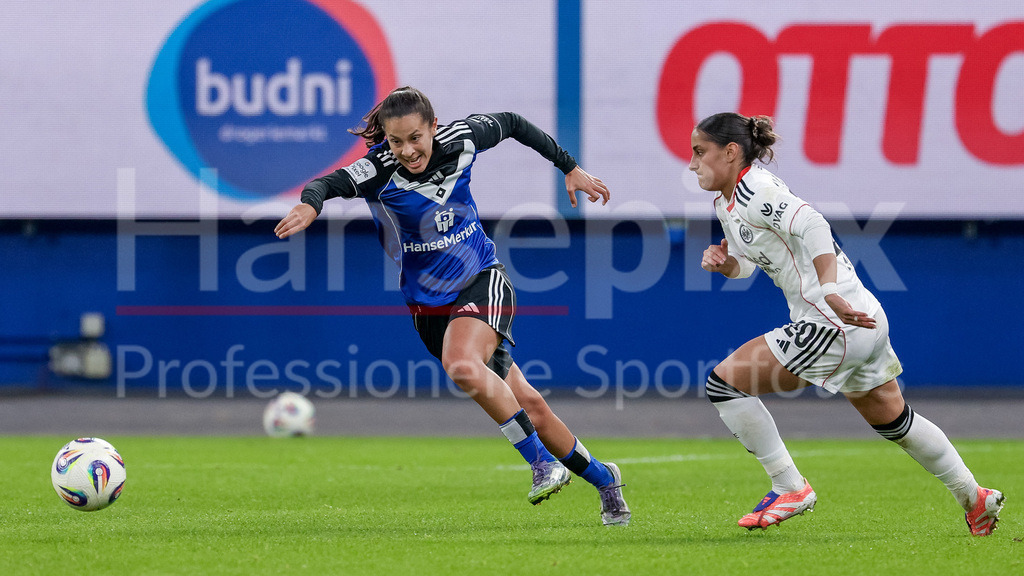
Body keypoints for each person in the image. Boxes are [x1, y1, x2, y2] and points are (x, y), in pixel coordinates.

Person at [274, 86, 630, 526]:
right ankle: (604, 480)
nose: (407, 150)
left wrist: (570, 166)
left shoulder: (463, 139)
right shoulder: (377, 169)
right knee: (529, 406)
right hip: (427, 309)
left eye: (415, 138)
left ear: (433, 128)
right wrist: (311, 205)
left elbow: (514, 123)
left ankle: (542, 464)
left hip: (482, 279)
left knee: (460, 364)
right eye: (396, 141)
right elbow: (326, 183)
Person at [690, 112, 1003, 535]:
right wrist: (727, 264)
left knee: (724, 384)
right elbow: (751, 263)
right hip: (864, 318)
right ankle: (975, 497)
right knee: (894, 419)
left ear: (730, 152)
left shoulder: (756, 190)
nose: (693, 164)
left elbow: (814, 224)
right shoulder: (728, 202)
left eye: (699, 152)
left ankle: (789, 486)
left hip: (832, 320)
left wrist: (829, 290)